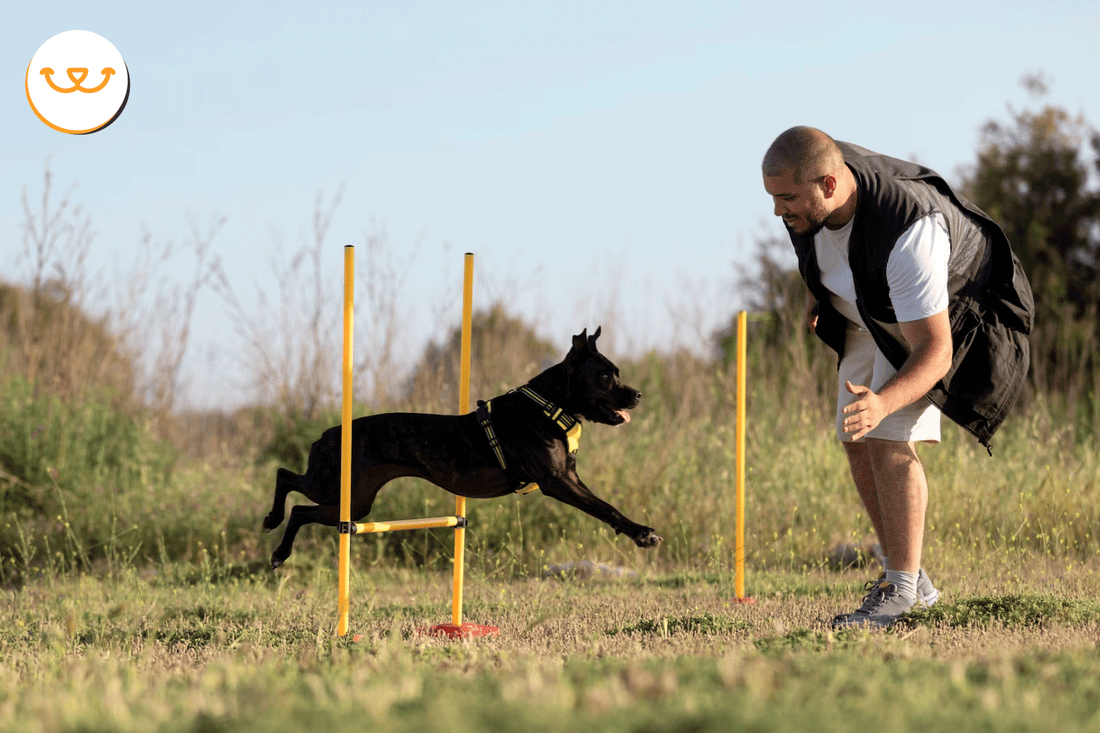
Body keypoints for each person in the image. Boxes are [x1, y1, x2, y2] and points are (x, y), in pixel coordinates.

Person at [761, 126, 1033, 628]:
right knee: (855, 435)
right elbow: (821, 249)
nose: (778, 210)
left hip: (941, 314)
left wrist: (884, 402)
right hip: (872, 307)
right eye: (772, 197)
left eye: (786, 199)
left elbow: (935, 352)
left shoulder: (910, 234)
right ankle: (910, 581)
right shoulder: (808, 193)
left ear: (828, 184)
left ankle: (900, 593)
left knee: (886, 432)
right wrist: (820, 298)